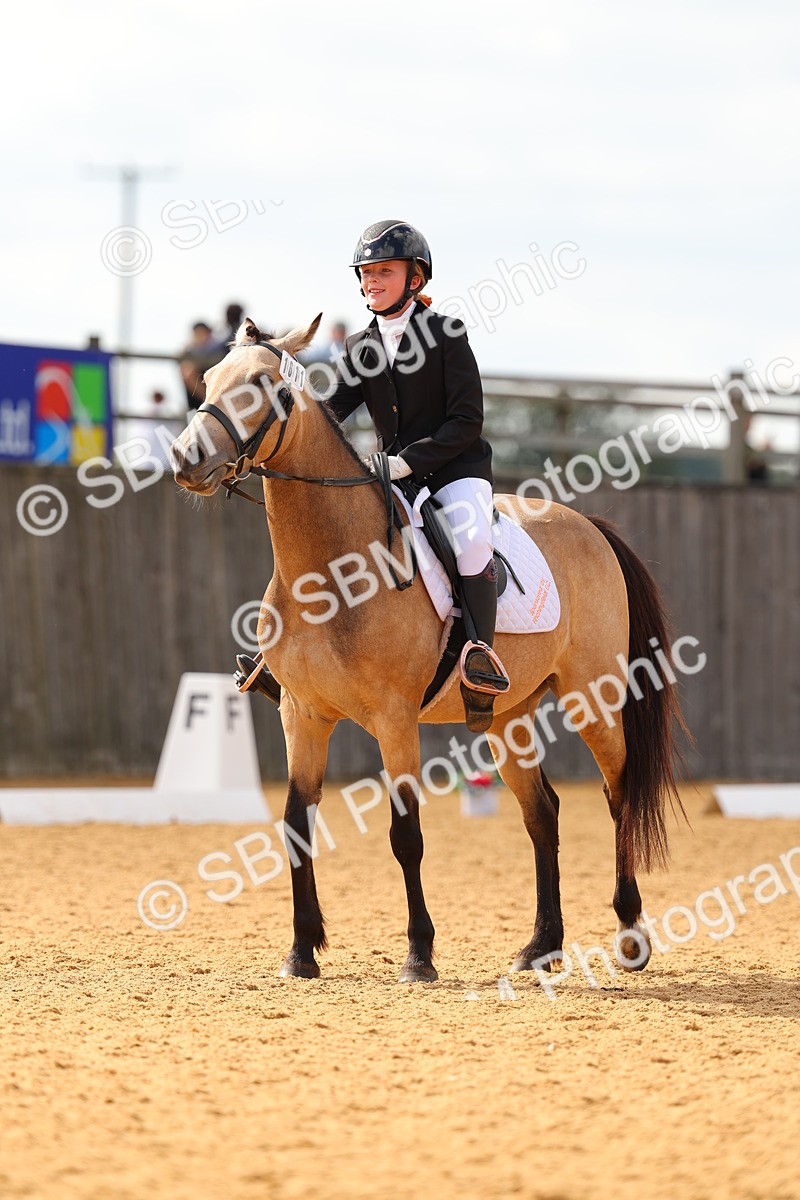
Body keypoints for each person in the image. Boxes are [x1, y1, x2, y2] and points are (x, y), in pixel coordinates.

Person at [236, 220, 510, 726]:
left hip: (454, 469)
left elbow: (467, 420)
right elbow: (331, 411)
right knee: (326, 538)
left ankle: (479, 656)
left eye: (384, 271)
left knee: (471, 542)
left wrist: (411, 459)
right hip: (391, 476)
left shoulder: (446, 333)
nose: (372, 281)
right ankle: (288, 659)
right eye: (366, 273)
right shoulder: (363, 344)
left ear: (415, 278)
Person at [178, 321, 224, 411]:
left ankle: (211, 402)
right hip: (197, 402)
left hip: (215, 390)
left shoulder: (217, 347)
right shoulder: (191, 350)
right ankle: (210, 402)